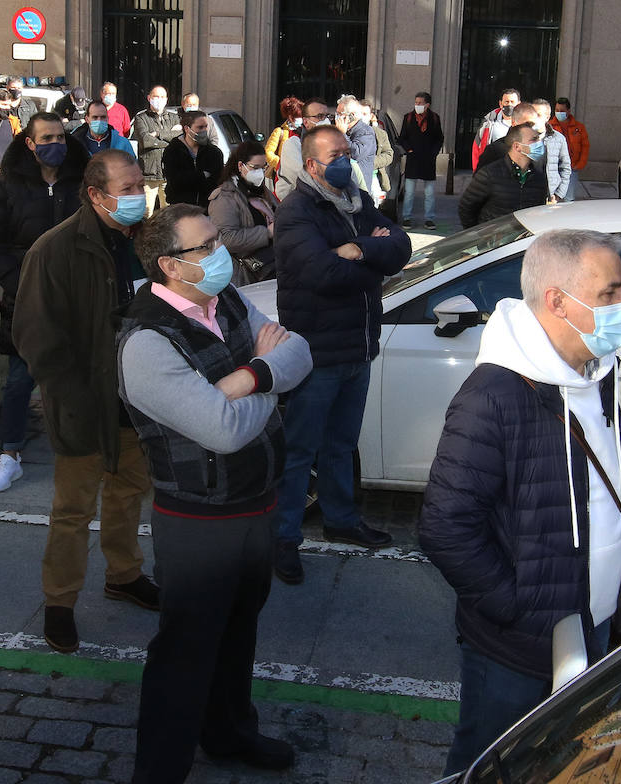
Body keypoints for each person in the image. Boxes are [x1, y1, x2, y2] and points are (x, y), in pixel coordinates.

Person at [418, 228, 621, 775]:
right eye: (609, 293)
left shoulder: (600, 374)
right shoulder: (494, 395)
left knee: (555, 763)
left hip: (594, 624)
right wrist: (519, 609)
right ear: (558, 301)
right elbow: (445, 526)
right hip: (518, 646)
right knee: (489, 763)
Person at [120, 205, 311, 784]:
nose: (221, 251)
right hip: (198, 520)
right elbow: (222, 431)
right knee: (186, 650)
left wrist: (248, 377)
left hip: (255, 502)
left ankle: (229, 732)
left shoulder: (224, 298)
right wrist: (268, 372)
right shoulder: (146, 342)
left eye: (218, 239)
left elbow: (299, 353)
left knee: (238, 632)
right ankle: (159, 771)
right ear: (169, 265)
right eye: (205, 246)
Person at [12, 149, 160, 653]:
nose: (139, 196)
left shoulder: (144, 241)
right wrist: (72, 398)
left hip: (136, 402)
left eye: (141, 185)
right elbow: (35, 336)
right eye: (128, 189)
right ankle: (59, 603)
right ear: (96, 195)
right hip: (82, 404)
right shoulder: (54, 250)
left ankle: (124, 574)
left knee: (128, 494)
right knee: (73, 510)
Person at [271, 124, 412, 583]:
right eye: (336, 155)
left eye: (348, 153)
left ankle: (341, 520)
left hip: (358, 346)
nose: (346, 161)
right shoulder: (297, 211)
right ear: (312, 165)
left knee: (341, 445)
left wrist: (359, 249)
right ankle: (283, 538)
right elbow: (323, 274)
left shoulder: (359, 199)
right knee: (300, 450)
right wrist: (375, 263)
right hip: (316, 353)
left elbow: (401, 246)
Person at [0, 113, 89, 492]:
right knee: (19, 380)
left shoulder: (82, 180)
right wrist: (22, 284)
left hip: (75, 297)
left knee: (79, 376)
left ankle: (81, 452)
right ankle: (10, 455)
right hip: (27, 300)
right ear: (30, 143)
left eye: (60, 137)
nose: (55, 144)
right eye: (46, 138)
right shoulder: (7, 183)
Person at [209, 140, 277, 284]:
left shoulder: (262, 191)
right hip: (249, 275)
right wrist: (267, 233)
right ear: (241, 166)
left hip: (274, 265)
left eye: (263, 167)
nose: (260, 173)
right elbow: (226, 239)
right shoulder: (224, 197)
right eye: (255, 167)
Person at [458, 123, 548, 228]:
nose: (539, 143)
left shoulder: (539, 177)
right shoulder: (490, 174)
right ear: (517, 146)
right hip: (494, 235)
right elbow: (466, 207)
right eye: (534, 140)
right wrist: (479, 234)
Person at [398, 91, 444, 229]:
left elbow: (439, 138)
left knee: (429, 193)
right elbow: (402, 138)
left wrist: (434, 153)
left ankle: (429, 219)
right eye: (416, 102)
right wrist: (409, 150)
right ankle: (407, 217)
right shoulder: (408, 117)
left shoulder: (434, 118)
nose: (417, 105)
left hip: (428, 160)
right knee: (409, 192)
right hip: (413, 159)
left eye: (420, 103)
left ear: (427, 105)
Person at [132, 85, 181, 212]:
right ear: (149, 98)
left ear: (167, 99)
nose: (159, 100)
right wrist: (169, 140)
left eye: (162, 97)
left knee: (169, 213)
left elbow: (179, 138)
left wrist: (158, 134)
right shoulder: (141, 118)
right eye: (156, 96)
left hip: (168, 173)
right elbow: (145, 141)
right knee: (146, 212)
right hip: (149, 174)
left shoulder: (174, 118)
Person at [163, 110, 224, 209]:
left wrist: (191, 177)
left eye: (206, 127)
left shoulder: (214, 153)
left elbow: (216, 180)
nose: (204, 130)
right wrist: (203, 175)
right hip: (180, 207)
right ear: (187, 129)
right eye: (200, 127)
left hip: (207, 207)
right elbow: (175, 181)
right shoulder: (173, 151)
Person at [273, 97, 331, 202]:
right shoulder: (293, 144)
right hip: (297, 205)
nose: (325, 120)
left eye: (327, 116)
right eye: (319, 116)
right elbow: (304, 178)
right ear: (306, 122)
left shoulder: (332, 144)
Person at [473, 101, 540, 171]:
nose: (532, 128)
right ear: (514, 123)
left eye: (534, 125)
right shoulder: (495, 150)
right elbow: (481, 175)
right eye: (527, 124)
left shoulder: (538, 150)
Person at [530, 99, 573, 202]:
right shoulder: (523, 137)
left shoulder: (558, 139)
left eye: (539, 115)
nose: (535, 118)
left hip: (550, 195)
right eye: (532, 114)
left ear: (547, 117)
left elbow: (565, 168)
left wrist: (559, 194)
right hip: (529, 193)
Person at [335, 96, 377, 198]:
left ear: (352, 116)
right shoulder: (341, 130)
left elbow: (356, 154)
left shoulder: (366, 132)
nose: (337, 117)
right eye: (336, 113)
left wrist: (342, 135)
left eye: (340, 114)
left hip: (358, 190)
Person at [471, 88, 520, 167]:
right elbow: (477, 147)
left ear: (519, 104)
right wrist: (478, 170)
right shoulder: (488, 123)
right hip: (493, 168)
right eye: (507, 102)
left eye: (512, 102)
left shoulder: (525, 124)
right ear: (500, 104)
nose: (509, 105)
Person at [551, 98, 589, 200]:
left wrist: (580, 164)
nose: (559, 113)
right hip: (554, 167)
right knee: (552, 197)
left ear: (568, 111)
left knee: (569, 198)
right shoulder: (549, 126)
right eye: (557, 110)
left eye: (562, 111)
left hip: (572, 168)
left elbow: (585, 147)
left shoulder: (579, 127)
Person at [360, 100, 393, 204]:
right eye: (358, 113)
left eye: (364, 114)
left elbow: (388, 154)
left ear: (371, 116)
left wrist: (371, 162)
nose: (361, 117)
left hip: (373, 177)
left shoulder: (380, 134)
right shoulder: (346, 133)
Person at [264, 96, 303, 179]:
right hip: (282, 176)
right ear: (290, 117)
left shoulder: (305, 131)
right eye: (297, 117)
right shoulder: (280, 131)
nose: (300, 120)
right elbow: (268, 153)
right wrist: (280, 164)